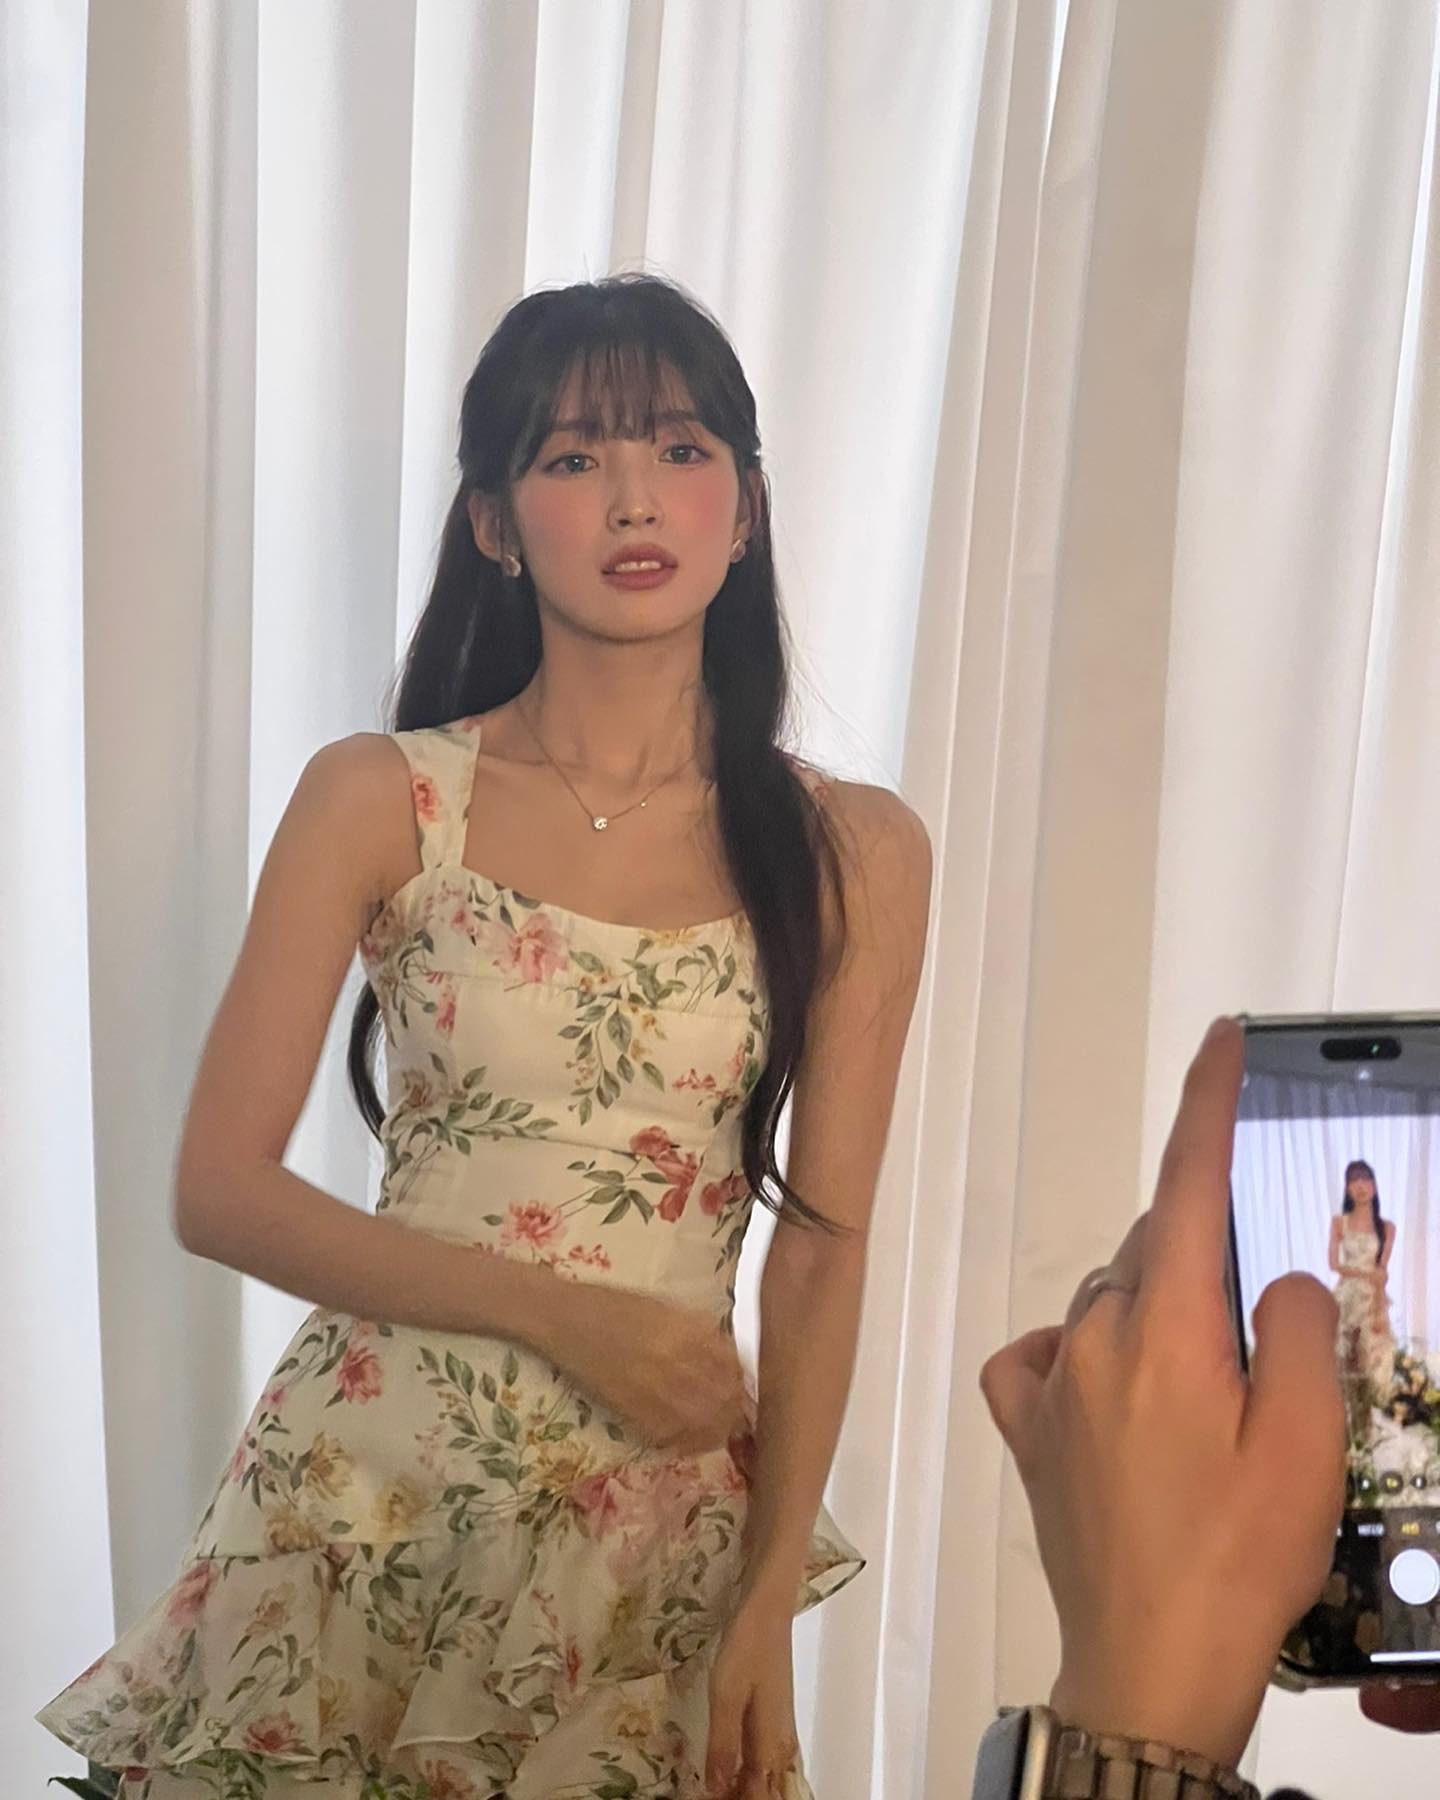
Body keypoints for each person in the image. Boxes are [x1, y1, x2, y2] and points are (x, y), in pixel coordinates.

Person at [36, 275, 934, 1799]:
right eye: (575, 457)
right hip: (364, 1504)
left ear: (748, 506)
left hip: (651, 1544)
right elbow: (220, 1189)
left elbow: (821, 1255)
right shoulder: (380, 796)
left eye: (682, 449)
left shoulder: (856, 848)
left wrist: (771, 1598)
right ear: (496, 525)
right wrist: (574, 1320)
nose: (636, 498)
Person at [979, 1018, 1440, 1800]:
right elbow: (1341, 1268)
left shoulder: (1385, 1228)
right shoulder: (1342, 1227)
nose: (1363, 1199)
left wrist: (1132, 1718)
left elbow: (1373, 1271)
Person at [1328, 1158, 1397, 1407]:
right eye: (1353, 1180)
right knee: (1346, 1358)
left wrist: (1378, 1309)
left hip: (1372, 1297)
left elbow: (1382, 1273)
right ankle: (1349, 1415)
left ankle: (1374, 1411)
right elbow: (1334, 1264)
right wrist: (1366, 1275)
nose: (1360, 1185)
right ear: (1347, 1188)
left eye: (1365, 1179)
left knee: (1375, 1357)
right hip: (1346, 1296)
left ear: (1374, 1186)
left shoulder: (1387, 1227)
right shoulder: (1339, 1222)